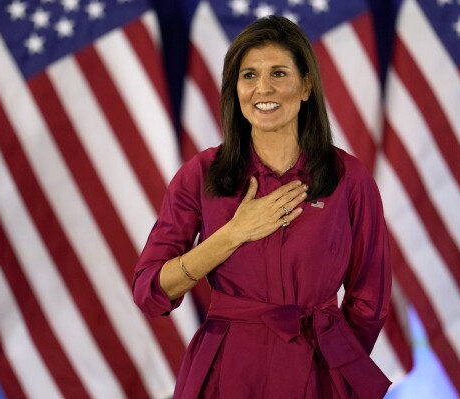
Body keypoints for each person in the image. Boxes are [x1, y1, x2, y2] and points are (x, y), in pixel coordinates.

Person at [133, 15, 392, 399]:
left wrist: (333, 365)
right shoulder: (199, 175)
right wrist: (235, 233)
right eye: (249, 75)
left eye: (279, 74)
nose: (262, 88)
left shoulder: (350, 179)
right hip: (227, 371)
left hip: (320, 372)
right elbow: (149, 291)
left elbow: (369, 300)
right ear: (235, 89)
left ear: (306, 86)